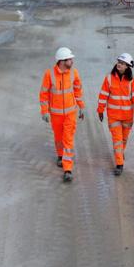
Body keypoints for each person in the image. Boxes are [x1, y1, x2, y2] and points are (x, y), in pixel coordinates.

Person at [39, 47, 85, 182]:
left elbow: (78, 90)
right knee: (58, 138)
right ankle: (60, 155)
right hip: (56, 114)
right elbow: (43, 94)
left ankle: (67, 169)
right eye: (70, 59)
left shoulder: (74, 73)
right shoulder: (49, 74)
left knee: (68, 139)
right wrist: (44, 111)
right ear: (62, 61)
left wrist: (81, 107)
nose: (72, 61)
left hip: (71, 113)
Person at [97, 53, 134, 176]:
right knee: (117, 140)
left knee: (123, 139)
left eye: (122, 63)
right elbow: (103, 95)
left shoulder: (133, 81)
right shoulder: (109, 78)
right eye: (118, 62)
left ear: (128, 67)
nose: (119, 64)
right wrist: (100, 110)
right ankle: (119, 164)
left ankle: (120, 154)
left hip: (127, 117)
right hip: (113, 116)